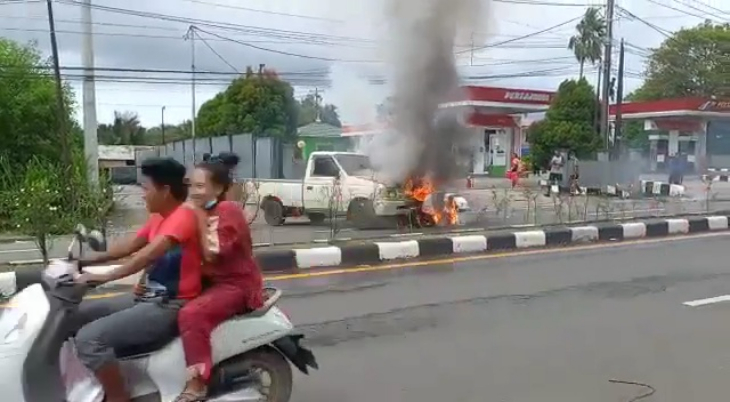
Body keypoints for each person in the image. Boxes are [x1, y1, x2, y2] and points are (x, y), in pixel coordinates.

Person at [74, 157, 203, 402]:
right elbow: (128, 247)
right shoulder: (159, 216)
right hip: (146, 298)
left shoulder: (183, 216)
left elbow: (145, 256)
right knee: (75, 317)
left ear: (165, 190)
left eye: (146, 189)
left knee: (89, 339)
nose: (143, 195)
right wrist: (82, 262)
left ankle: (117, 397)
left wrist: (102, 278)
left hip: (169, 305)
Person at [174, 155, 264, 402]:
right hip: (211, 282)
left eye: (200, 186)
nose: (193, 191)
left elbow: (213, 253)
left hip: (235, 285)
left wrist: (198, 216)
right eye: (190, 185)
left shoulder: (227, 210)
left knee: (191, 314)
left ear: (220, 188)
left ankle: (198, 382)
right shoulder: (201, 211)